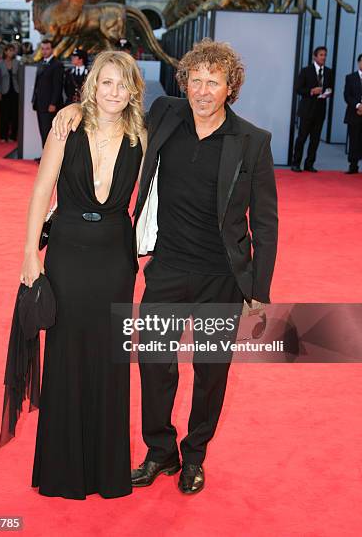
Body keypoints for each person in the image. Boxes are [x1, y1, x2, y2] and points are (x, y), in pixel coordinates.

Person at [52, 38, 279, 495]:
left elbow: (267, 220)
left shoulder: (253, 141)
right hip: (167, 267)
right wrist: (73, 110)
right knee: (155, 364)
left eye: (212, 82)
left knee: (211, 371)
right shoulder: (164, 116)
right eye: (195, 80)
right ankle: (160, 452)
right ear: (185, 83)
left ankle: (195, 456)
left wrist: (259, 288)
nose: (201, 90)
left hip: (223, 277)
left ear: (229, 87)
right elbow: (114, 111)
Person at [20, 50, 146, 499]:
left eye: (122, 84)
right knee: (67, 352)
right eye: (105, 82)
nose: (113, 92)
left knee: (111, 358)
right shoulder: (66, 127)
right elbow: (41, 190)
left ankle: (106, 469)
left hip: (115, 258)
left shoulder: (141, 137)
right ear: (92, 85)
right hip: (67, 253)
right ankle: (63, 469)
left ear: (133, 89)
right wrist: (29, 255)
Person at [291, 46, 333, 172]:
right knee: (302, 137)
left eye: (325, 55)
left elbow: (330, 88)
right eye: (321, 55)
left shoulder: (329, 72)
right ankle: (296, 163)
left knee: (315, 140)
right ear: (315, 56)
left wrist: (328, 92)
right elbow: (298, 89)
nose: (324, 57)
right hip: (307, 110)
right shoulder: (306, 71)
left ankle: (309, 164)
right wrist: (311, 91)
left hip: (320, 110)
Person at [31, 40, 64, 148]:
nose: (44, 51)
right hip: (40, 103)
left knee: (49, 132)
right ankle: (44, 155)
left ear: (52, 49)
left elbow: (57, 86)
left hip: (50, 105)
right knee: (42, 131)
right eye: (43, 49)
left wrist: (53, 103)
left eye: (47, 49)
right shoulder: (40, 63)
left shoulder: (57, 65)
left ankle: (49, 159)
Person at [0, 44, 20, 142]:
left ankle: (13, 136)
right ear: (5, 52)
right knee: (4, 115)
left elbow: (20, 77)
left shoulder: (17, 63)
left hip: (15, 91)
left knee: (15, 115)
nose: (11, 52)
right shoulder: (0, 64)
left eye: (12, 50)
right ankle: (3, 136)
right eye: (9, 50)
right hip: (4, 91)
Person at [343, 54, 362, 174]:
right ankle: (353, 165)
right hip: (354, 114)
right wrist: (358, 106)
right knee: (354, 139)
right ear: (358, 62)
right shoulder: (350, 77)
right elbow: (347, 95)